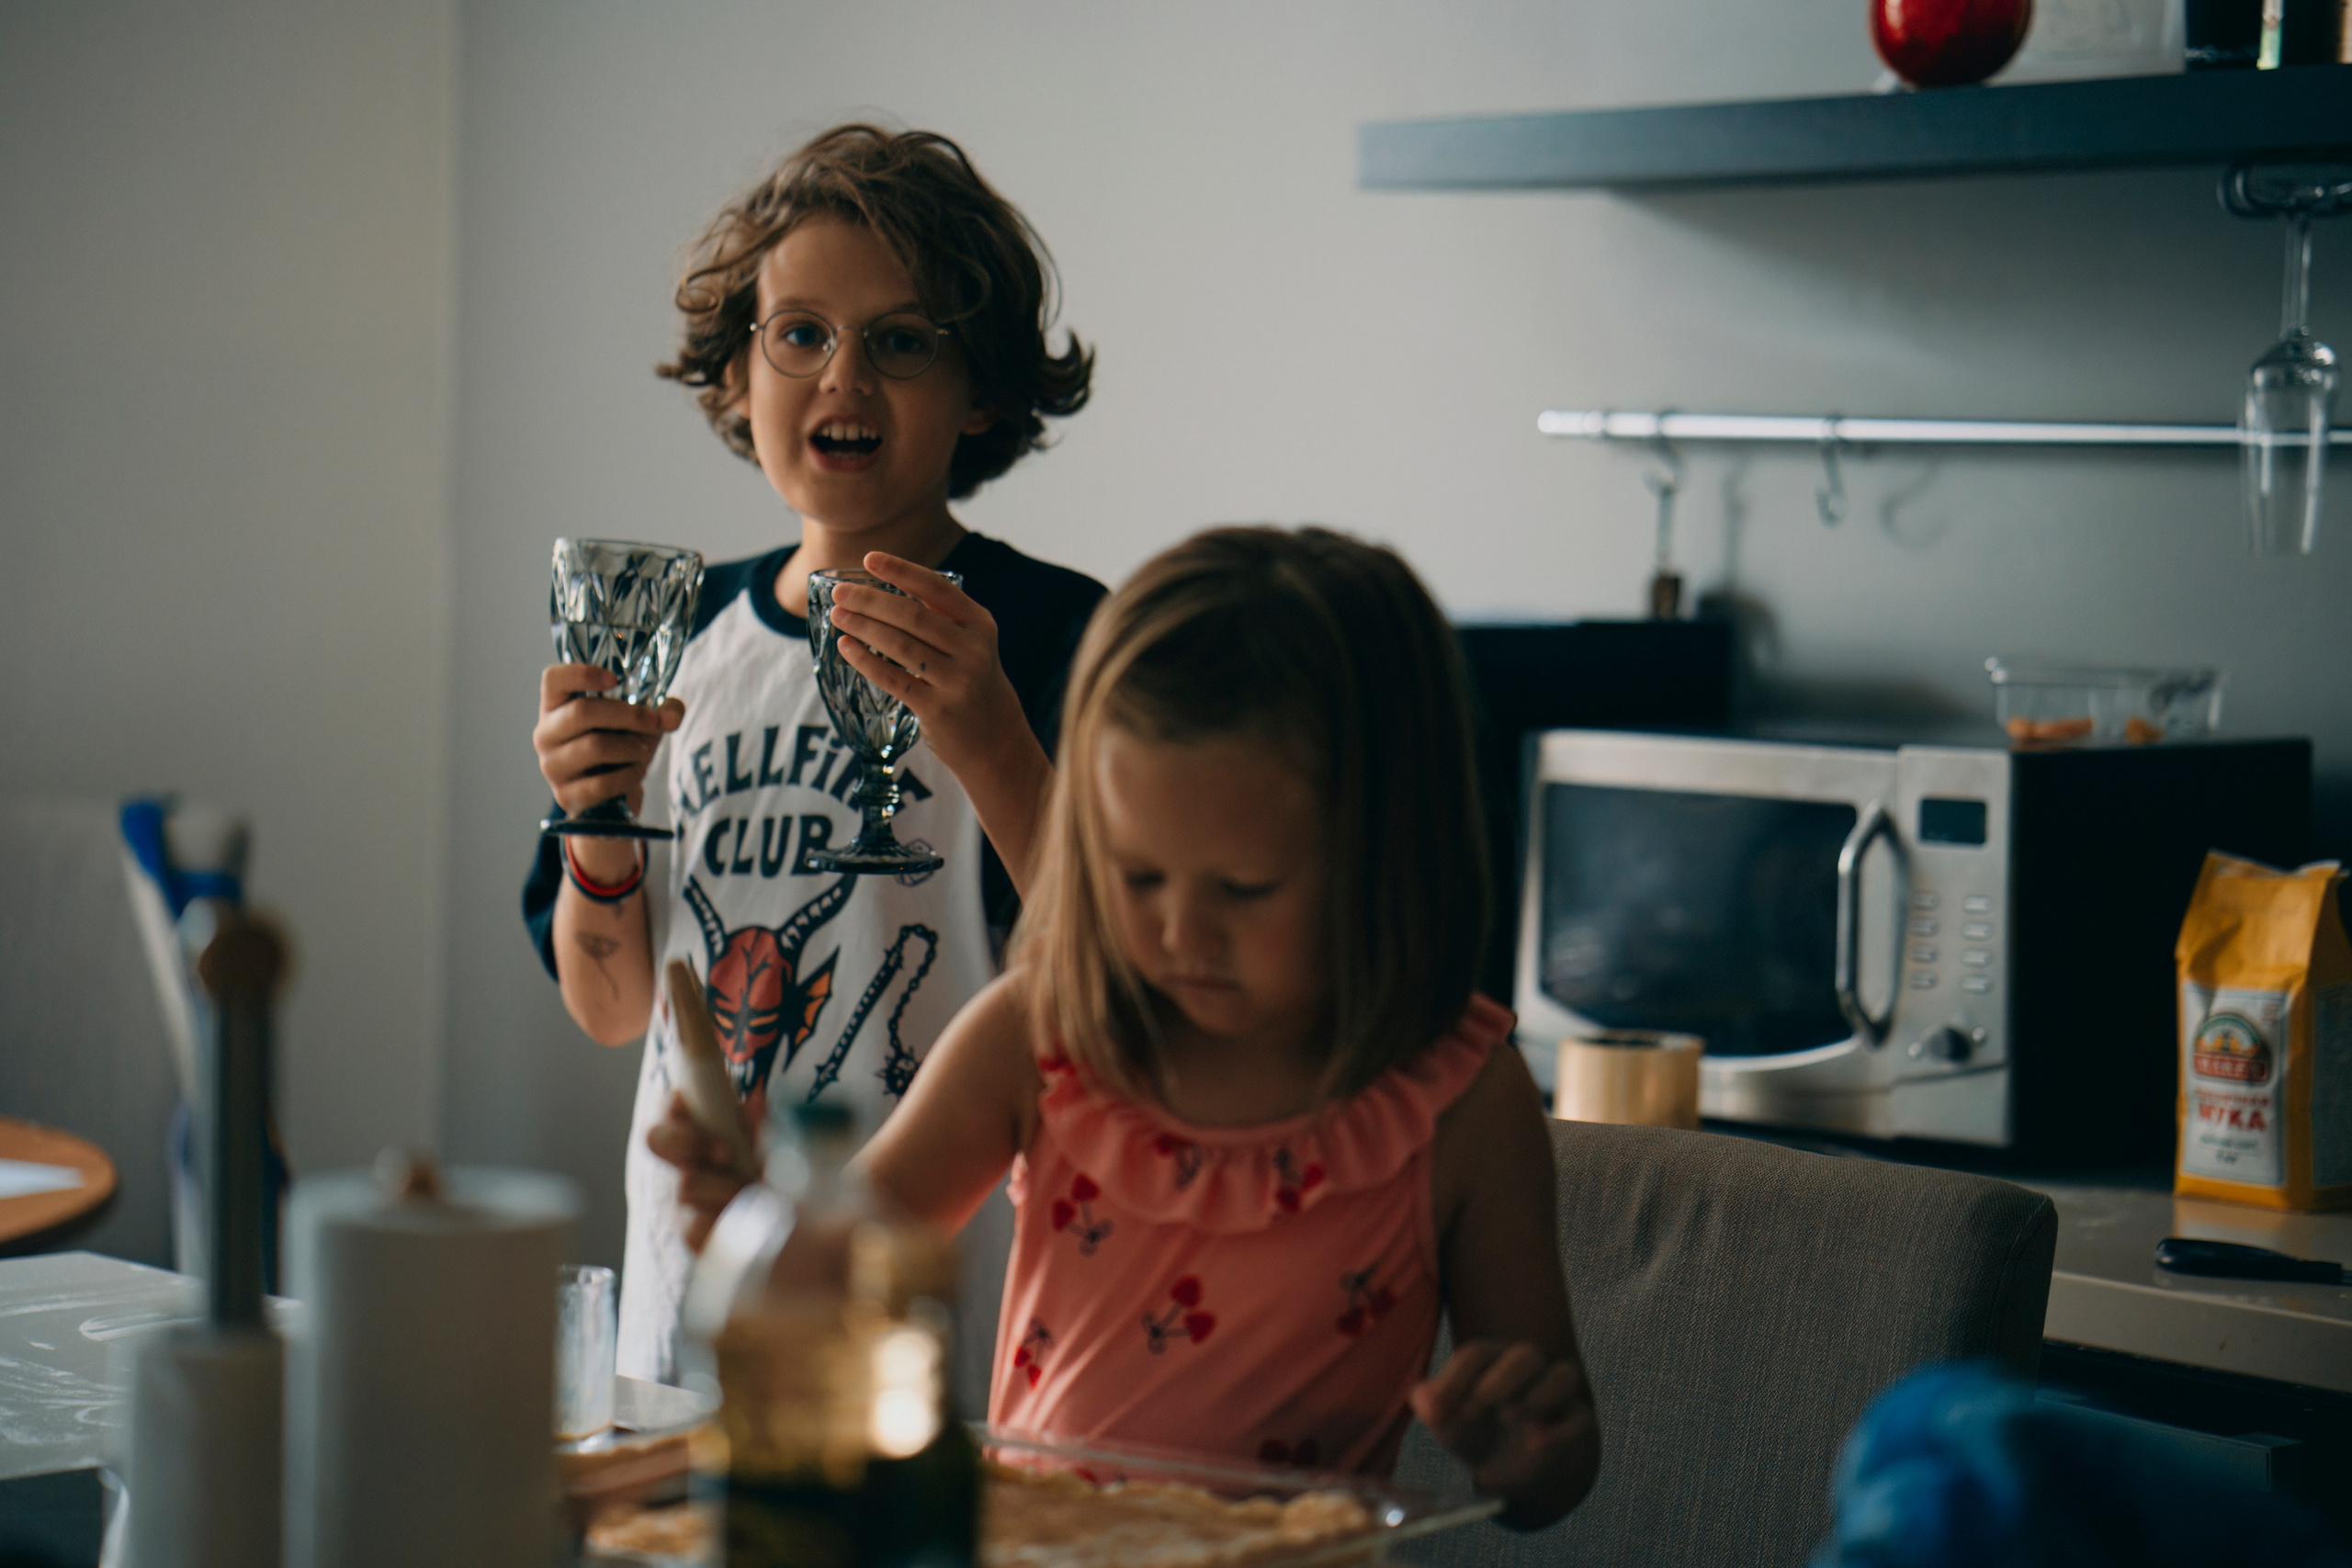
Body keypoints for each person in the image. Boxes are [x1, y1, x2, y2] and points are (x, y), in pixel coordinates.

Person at [670, 527, 1601, 1528]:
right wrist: (758, 1217)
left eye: (1243, 890)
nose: (1178, 932)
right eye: (1137, 875)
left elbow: (1554, 1470)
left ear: (1386, 856)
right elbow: (841, 1276)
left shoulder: (1464, 1104)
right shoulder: (1040, 1036)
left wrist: (1523, 1449)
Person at [524, 125, 1106, 1382]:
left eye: (901, 341)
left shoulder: (1064, 636)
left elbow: (1114, 979)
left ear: (983, 392)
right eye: (800, 333)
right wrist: (594, 819)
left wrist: (992, 734)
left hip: (945, 1310)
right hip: (689, 1305)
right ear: (737, 375)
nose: (844, 376)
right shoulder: (674, 634)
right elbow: (612, 1004)